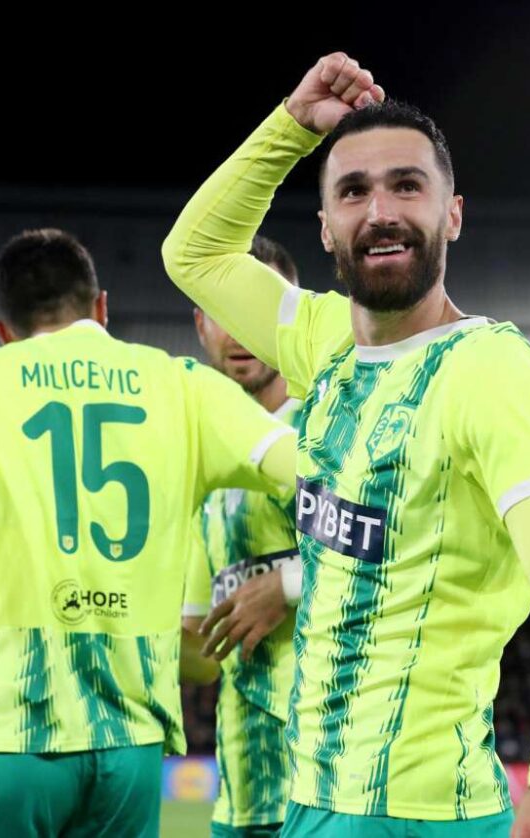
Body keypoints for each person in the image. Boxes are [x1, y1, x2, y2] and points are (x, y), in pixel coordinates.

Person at [163, 52, 530, 837]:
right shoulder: (324, 338)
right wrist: (291, 128)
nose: (380, 211)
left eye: (407, 185)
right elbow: (193, 253)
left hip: (417, 812)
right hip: (313, 798)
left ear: (453, 214)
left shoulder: (490, 370)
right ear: (326, 228)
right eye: (353, 192)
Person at [0, 229, 296, 837]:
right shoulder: (187, 386)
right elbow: (321, 471)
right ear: (101, 308)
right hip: (130, 753)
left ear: (3, 333)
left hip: (5, 735)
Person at [181, 235, 306, 837]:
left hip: (332, 784)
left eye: (255, 308)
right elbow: (201, 653)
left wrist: (286, 584)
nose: (238, 331)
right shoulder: (200, 458)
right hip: (244, 796)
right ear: (201, 325)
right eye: (222, 312)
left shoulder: (333, 425)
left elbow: (402, 546)